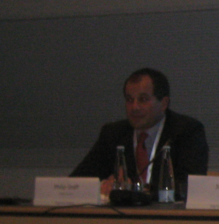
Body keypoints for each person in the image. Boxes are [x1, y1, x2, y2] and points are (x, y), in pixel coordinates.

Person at [71, 68, 208, 199]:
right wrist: (104, 185)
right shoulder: (113, 134)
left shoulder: (186, 131)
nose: (134, 107)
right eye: (129, 100)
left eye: (143, 99)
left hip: (167, 213)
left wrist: (134, 190)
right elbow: (75, 183)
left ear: (163, 103)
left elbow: (188, 186)